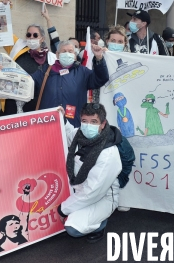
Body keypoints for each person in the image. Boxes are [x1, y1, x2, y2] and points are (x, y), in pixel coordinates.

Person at [56, 103, 123, 243]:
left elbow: (92, 192)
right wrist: (62, 119)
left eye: (94, 122)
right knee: (72, 210)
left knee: (72, 227)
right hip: (81, 191)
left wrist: (63, 209)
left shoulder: (108, 153)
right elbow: (69, 135)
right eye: (84, 121)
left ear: (103, 124)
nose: (88, 126)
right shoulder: (79, 135)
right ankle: (83, 213)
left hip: (102, 197)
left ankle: (100, 224)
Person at [0, 0, 58, 116]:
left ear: (42, 38)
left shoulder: (50, 58)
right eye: (28, 35)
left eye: (35, 35)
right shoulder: (18, 46)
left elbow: (57, 41)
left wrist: (48, 19)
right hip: (11, 107)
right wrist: (3, 9)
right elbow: (1, 31)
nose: (31, 37)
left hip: (36, 108)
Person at [32, 41, 108, 126]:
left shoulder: (82, 72)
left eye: (70, 51)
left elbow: (101, 78)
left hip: (73, 125)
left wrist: (99, 58)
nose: (67, 54)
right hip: (48, 124)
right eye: (64, 51)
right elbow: (28, 84)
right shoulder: (44, 71)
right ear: (57, 54)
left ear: (75, 55)